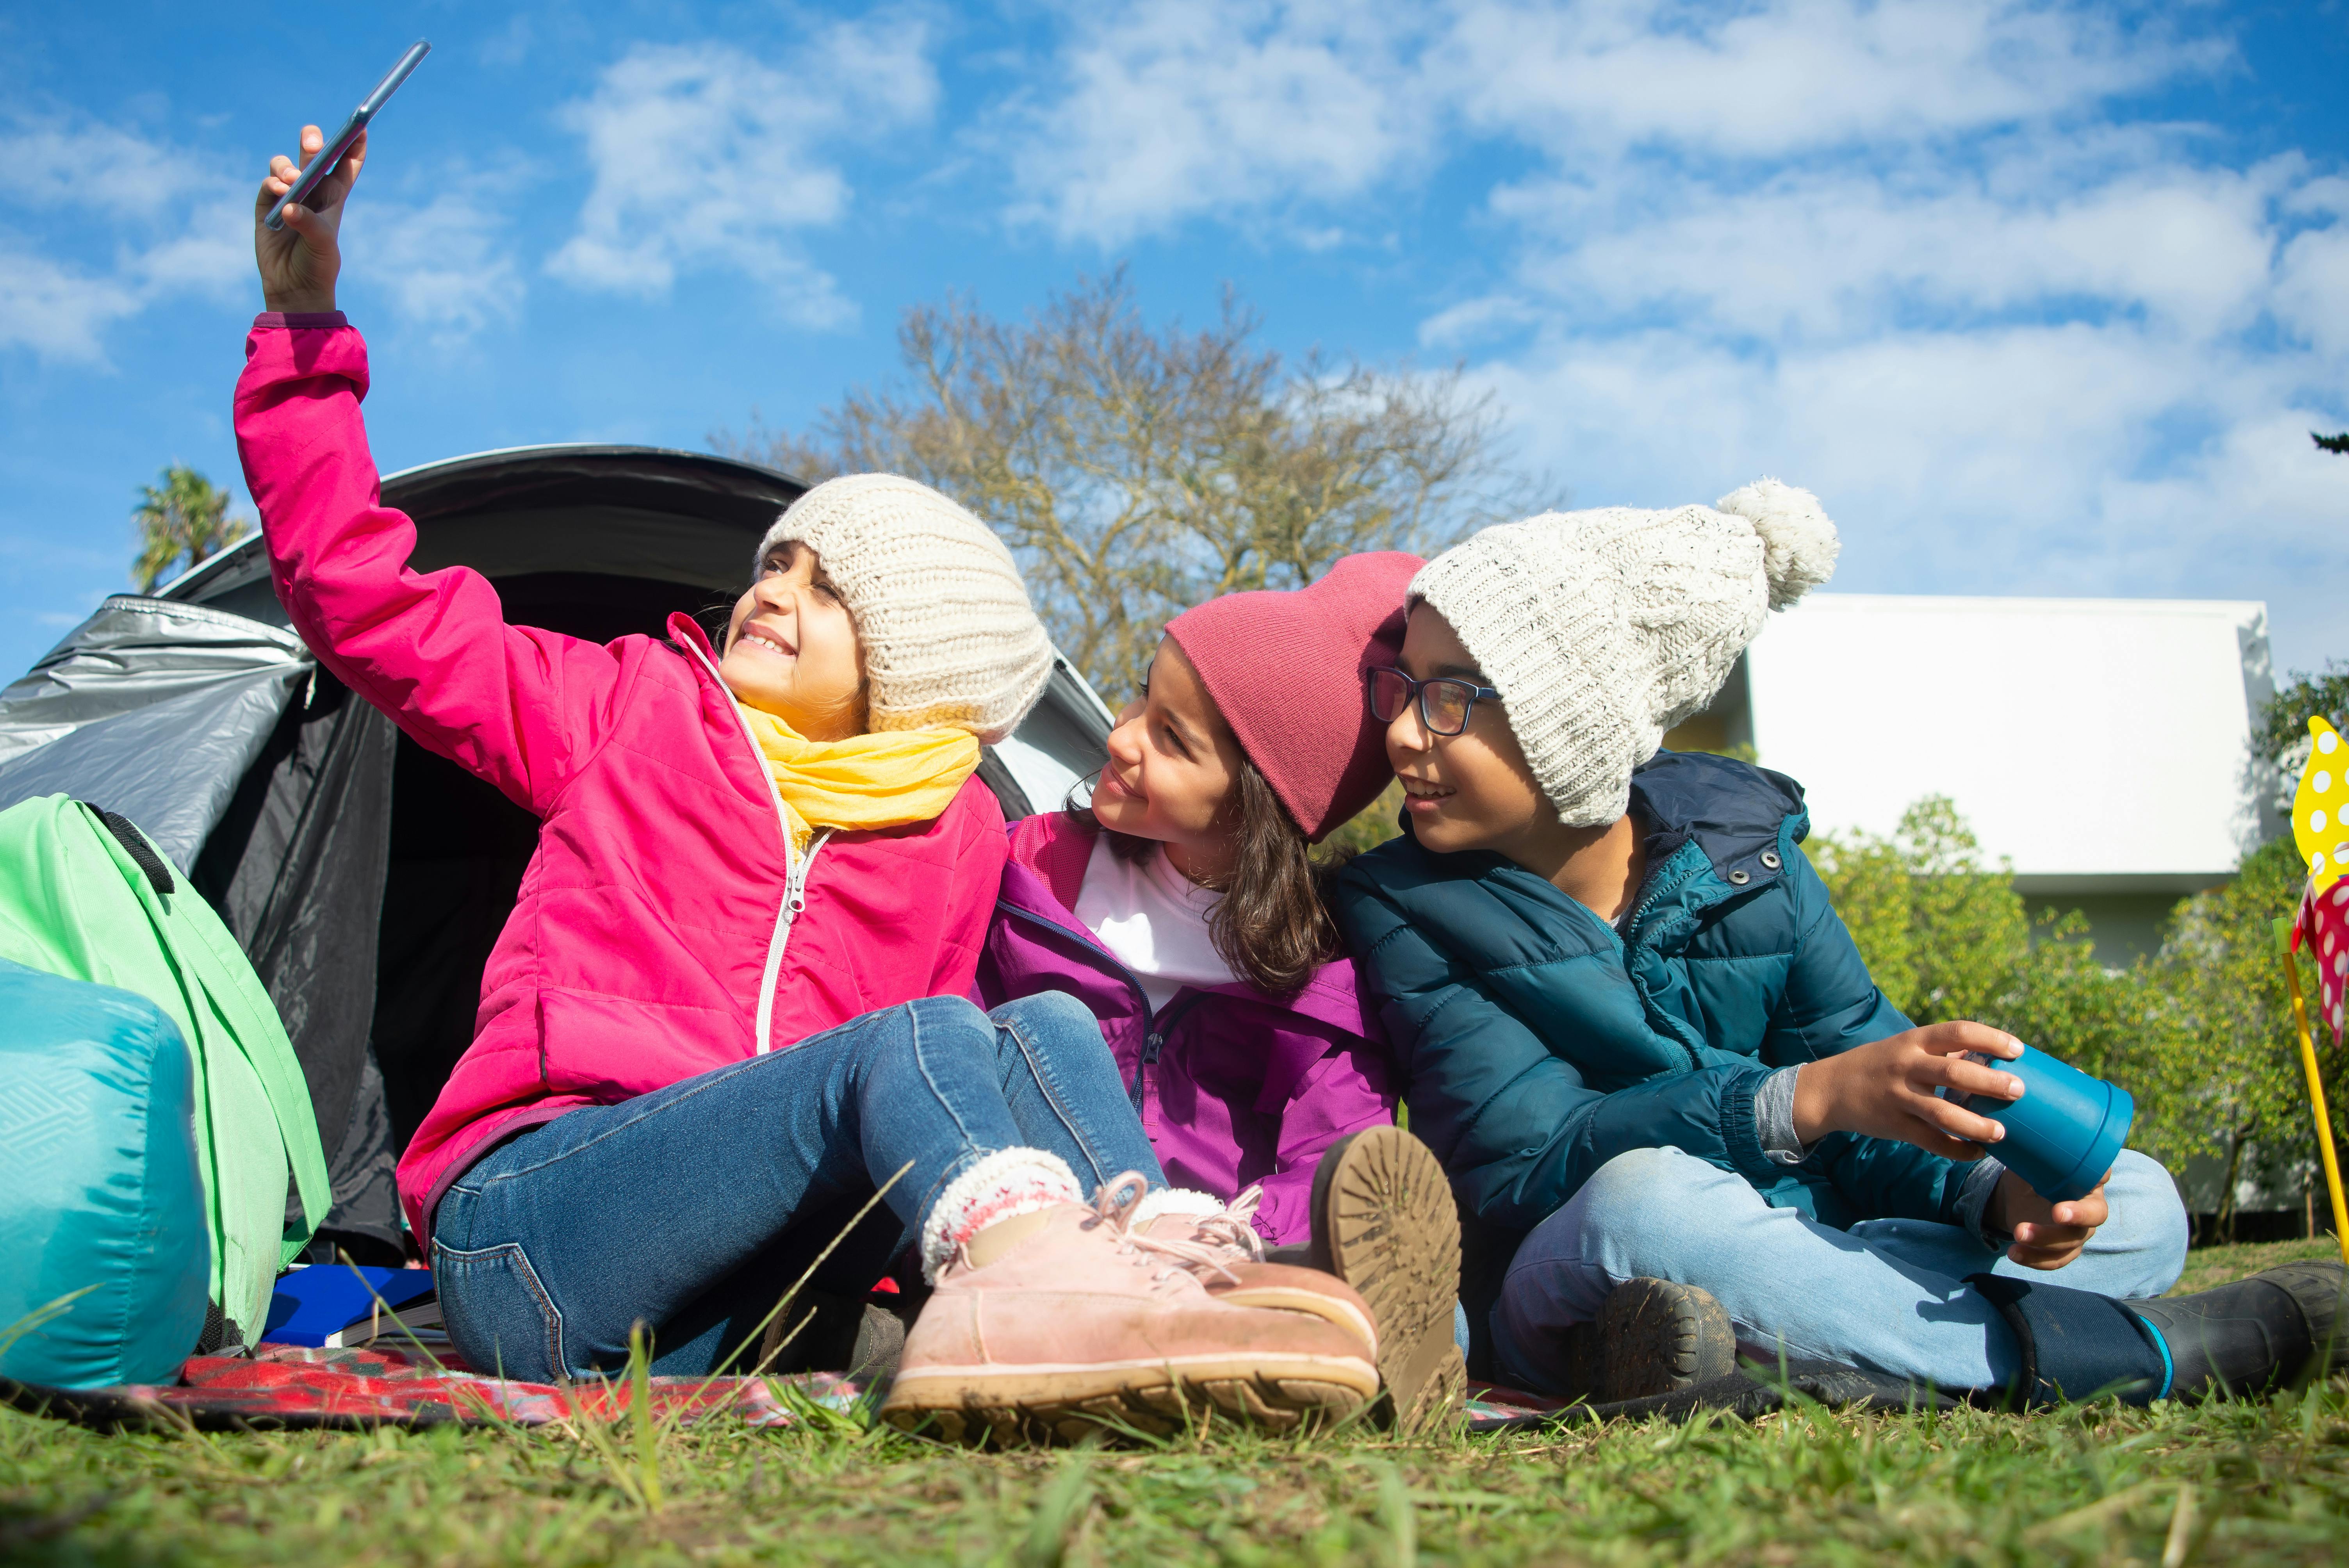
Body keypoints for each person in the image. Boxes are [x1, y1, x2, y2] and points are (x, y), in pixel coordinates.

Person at [236, 123, 1376, 1441]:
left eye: (829, 587)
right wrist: (303, 325)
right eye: (777, 563)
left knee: (1045, 1025)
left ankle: (1182, 1287)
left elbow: (1072, 993)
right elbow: (364, 602)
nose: (772, 585)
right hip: (540, 1232)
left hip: (739, 1283)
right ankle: (1036, 1296)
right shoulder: (628, 711)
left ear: (908, 669)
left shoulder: (954, 830)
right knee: (910, 1038)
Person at [1330, 481, 2346, 1407]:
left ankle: (1807, 1351)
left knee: (2137, 1195)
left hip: (1812, 1241)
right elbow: (1524, 1168)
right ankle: (2127, 1358)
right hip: (1575, 1258)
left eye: (1453, 697)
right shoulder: (1407, 907)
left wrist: (1995, 1192)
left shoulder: (1753, 862)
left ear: (1576, 727)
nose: (1407, 734)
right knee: (1649, 1206)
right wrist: (1799, 1102)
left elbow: (1877, 1078)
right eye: (1407, 689)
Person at [975, 556, 1465, 1429]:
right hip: (1040, 1230)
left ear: (1257, 809)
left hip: (1218, 1254)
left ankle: (1313, 1356)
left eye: (1172, 739)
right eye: (1139, 700)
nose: (1121, 737)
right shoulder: (1027, 867)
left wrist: (1238, 1236)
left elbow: (1325, 1161)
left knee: (1393, 1301)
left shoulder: (1316, 968)